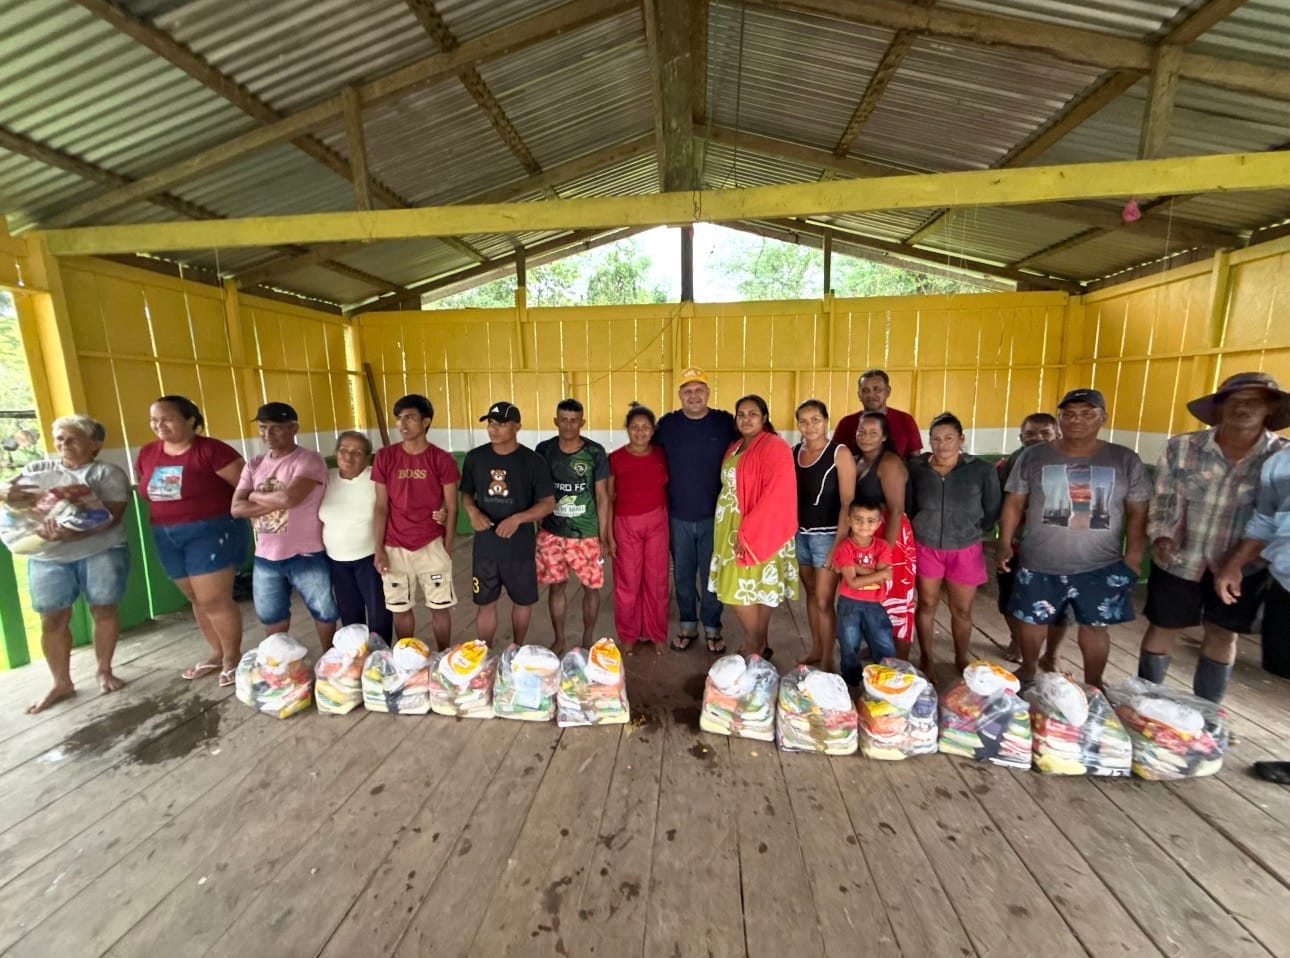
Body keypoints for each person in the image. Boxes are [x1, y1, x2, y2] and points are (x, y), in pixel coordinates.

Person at [1140, 373, 1289, 702]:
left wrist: (1238, 563)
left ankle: (1208, 709)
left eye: (1254, 401)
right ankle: (1144, 702)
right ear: (1220, 407)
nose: (1243, 408)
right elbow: (1164, 499)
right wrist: (1162, 536)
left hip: (1245, 567)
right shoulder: (1183, 447)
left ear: (1270, 408)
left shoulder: (1282, 458)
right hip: (1182, 557)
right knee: (1163, 625)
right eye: (1234, 401)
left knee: (1223, 632)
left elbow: (1275, 520)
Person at [997, 388, 1150, 688]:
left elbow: (1138, 513)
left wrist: (1133, 556)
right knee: (1031, 620)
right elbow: (1014, 502)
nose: (1076, 420)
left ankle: (1094, 683)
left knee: (1095, 626)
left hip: (1100, 562)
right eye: (1069, 414)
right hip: (1040, 559)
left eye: (1087, 414)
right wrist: (1004, 542)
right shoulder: (1033, 456)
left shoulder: (1124, 459)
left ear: (1103, 418)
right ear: (1060, 419)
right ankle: (1028, 669)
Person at [7, 415, 130, 713]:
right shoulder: (39, 470)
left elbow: (112, 517)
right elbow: (14, 499)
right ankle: (61, 682)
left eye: (73, 438)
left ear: (95, 444)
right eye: (60, 438)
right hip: (48, 555)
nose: (64, 444)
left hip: (100, 549)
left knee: (103, 608)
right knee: (52, 618)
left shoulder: (106, 473)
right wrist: (9, 495)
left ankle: (104, 670)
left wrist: (72, 532)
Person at [139, 395, 247, 687]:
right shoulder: (148, 453)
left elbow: (245, 486)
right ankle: (217, 652)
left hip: (210, 531)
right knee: (196, 598)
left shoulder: (212, 451)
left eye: (167, 418)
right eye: (154, 420)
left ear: (190, 420)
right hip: (166, 533)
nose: (159, 425)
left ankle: (232, 658)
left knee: (214, 599)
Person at [231, 402, 339, 650]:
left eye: (276, 428)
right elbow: (236, 508)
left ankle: (328, 658)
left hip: (306, 554)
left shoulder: (308, 459)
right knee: (272, 615)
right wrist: (274, 502)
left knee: (323, 611)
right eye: (262, 428)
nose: (267, 434)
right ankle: (280, 661)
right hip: (265, 556)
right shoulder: (254, 463)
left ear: (294, 428)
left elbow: (289, 498)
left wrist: (254, 496)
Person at [908, 412, 1002, 672]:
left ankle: (961, 658)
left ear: (961, 439)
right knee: (926, 604)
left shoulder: (981, 470)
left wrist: (973, 529)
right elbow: (908, 504)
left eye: (949, 438)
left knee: (961, 609)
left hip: (965, 548)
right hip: (926, 545)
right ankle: (926, 658)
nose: (942, 444)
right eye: (936, 438)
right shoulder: (916, 468)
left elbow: (992, 508)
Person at [653, 367, 737, 652]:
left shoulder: (724, 422)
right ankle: (687, 624)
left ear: (708, 393)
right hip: (677, 515)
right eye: (687, 391)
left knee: (712, 575)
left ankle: (712, 627)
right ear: (680, 395)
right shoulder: (667, 425)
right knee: (683, 576)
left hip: (716, 517)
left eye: (699, 390)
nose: (694, 396)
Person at [708, 395, 799, 657]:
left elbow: (777, 491)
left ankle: (753, 643)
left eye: (753, 414)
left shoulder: (774, 446)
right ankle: (761, 643)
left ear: (764, 417)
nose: (746, 419)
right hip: (730, 527)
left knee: (738, 589)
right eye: (741, 414)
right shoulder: (736, 446)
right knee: (756, 588)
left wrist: (750, 531)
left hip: (758, 528)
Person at [460, 402, 555, 647]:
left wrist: (517, 519)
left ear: (517, 427)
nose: (493, 429)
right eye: (491, 423)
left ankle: (517, 649)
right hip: (486, 547)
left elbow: (547, 503)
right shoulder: (475, 458)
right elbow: (466, 494)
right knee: (485, 603)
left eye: (501, 424)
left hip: (519, 547)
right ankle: (483, 652)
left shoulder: (533, 461)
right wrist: (472, 511)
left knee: (522, 602)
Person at [370, 395, 459, 649]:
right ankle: (405, 657)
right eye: (399, 418)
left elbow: (452, 507)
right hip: (394, 544)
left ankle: (442, 655)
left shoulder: (441, 459)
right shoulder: (385, 456)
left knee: (440, 607)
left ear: (426, 421)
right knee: (400, 608)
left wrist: (447, 547)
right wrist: (379, 549)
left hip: (431, 543)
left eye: (409, 417)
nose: (402, 424)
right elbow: (381, 506)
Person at [534, 399, 611, 654]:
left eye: (574, 420)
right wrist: (537, 524)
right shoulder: (544, 450)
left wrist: (603, 536)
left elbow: (602, 496)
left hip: (586, 533)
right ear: (556, 421)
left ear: (582, 422)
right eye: (564, 420)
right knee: (556, 586)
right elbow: (536, 489)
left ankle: (588, 639)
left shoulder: (595, 452)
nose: (568, 425)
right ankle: (559, 639)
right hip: (552, 531)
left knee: (591, 588)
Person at [1216, 444, 1290, 679]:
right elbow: (1264, 523)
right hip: (1285, 584)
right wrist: (1234, 565)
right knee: (1282, 670)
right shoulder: (1280, 463)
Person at [792, 399, 856, 671]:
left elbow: (847, 503)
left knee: (823, 599)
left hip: (828, 536)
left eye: (815, 420)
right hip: (800, 535)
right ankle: (817, 648)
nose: (810, 426)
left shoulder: (839, 453)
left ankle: (829, 658)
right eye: (803, 421)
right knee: (810, 593)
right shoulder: (794, 452)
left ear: (826, 420)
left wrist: (838, 544)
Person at [995, 413, 1061, 660]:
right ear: (1021, 437)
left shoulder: (1069, 463)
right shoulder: (1012, 463)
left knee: (1054, 604)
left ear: (1058, 435)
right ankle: (1017, 639)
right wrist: (1003, 541)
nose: (1037, 438)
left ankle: (1050, 654)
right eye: (1030, 434)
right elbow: (1001, 503)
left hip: (1055, 548)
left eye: (1046, 433)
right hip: (1016, 543)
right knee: (1009, 599)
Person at [854, 411, 919, 662]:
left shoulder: (889, 463)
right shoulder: (859, 461)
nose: (866, 437)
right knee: (873, 595)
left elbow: (895, 511)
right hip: (867, 534)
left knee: (896, 599)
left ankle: (900, 660)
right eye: (861, 432)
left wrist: (885, 553)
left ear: (884, 436)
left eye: (873, 432)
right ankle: (877, 647)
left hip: (891, 536)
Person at [319, 430, 393, 643]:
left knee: (379, 613)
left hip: (370, 558)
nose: (348, 457)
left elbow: (391, 509)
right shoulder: (326, 479)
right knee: (349, 614)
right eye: (343, 450)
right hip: (336, 560)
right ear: (336, 452)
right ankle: (355, 654)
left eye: (357, 453)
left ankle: (380, 655)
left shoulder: (375, 479)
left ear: (368, 457)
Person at [608, 404, 669, 654]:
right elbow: (608, 498)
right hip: (625, 525)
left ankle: (657, 633)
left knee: (657, 581)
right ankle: (628, 634)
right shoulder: (615, 458)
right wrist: (608, 536)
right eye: (635, 427)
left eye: (645, 427)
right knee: (628, 583)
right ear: (627, 429)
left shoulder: (661, 454)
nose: (640, 432)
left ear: (653, 430)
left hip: (657, 522)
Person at [832, 497, 895, 684]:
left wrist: (856, 568)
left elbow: (882, 578)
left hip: (875, 603)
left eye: (870, 521)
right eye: (858, 520)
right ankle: (851, 681)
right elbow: (853, 583)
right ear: (849, 520)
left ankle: (884, 680)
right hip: (849, 603)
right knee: (849, 644)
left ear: (879, 523)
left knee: (883, 642)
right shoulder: (845, 547)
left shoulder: (882, 546)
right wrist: (879, 573)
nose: (864, 526)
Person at [832, 369, 923, 459]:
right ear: (859, 395)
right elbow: (833, 458)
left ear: (888, 391)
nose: (871, 395)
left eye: (877, 389)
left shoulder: (905, 420)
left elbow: (915, 461)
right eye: (865, 390)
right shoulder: (846, 423)